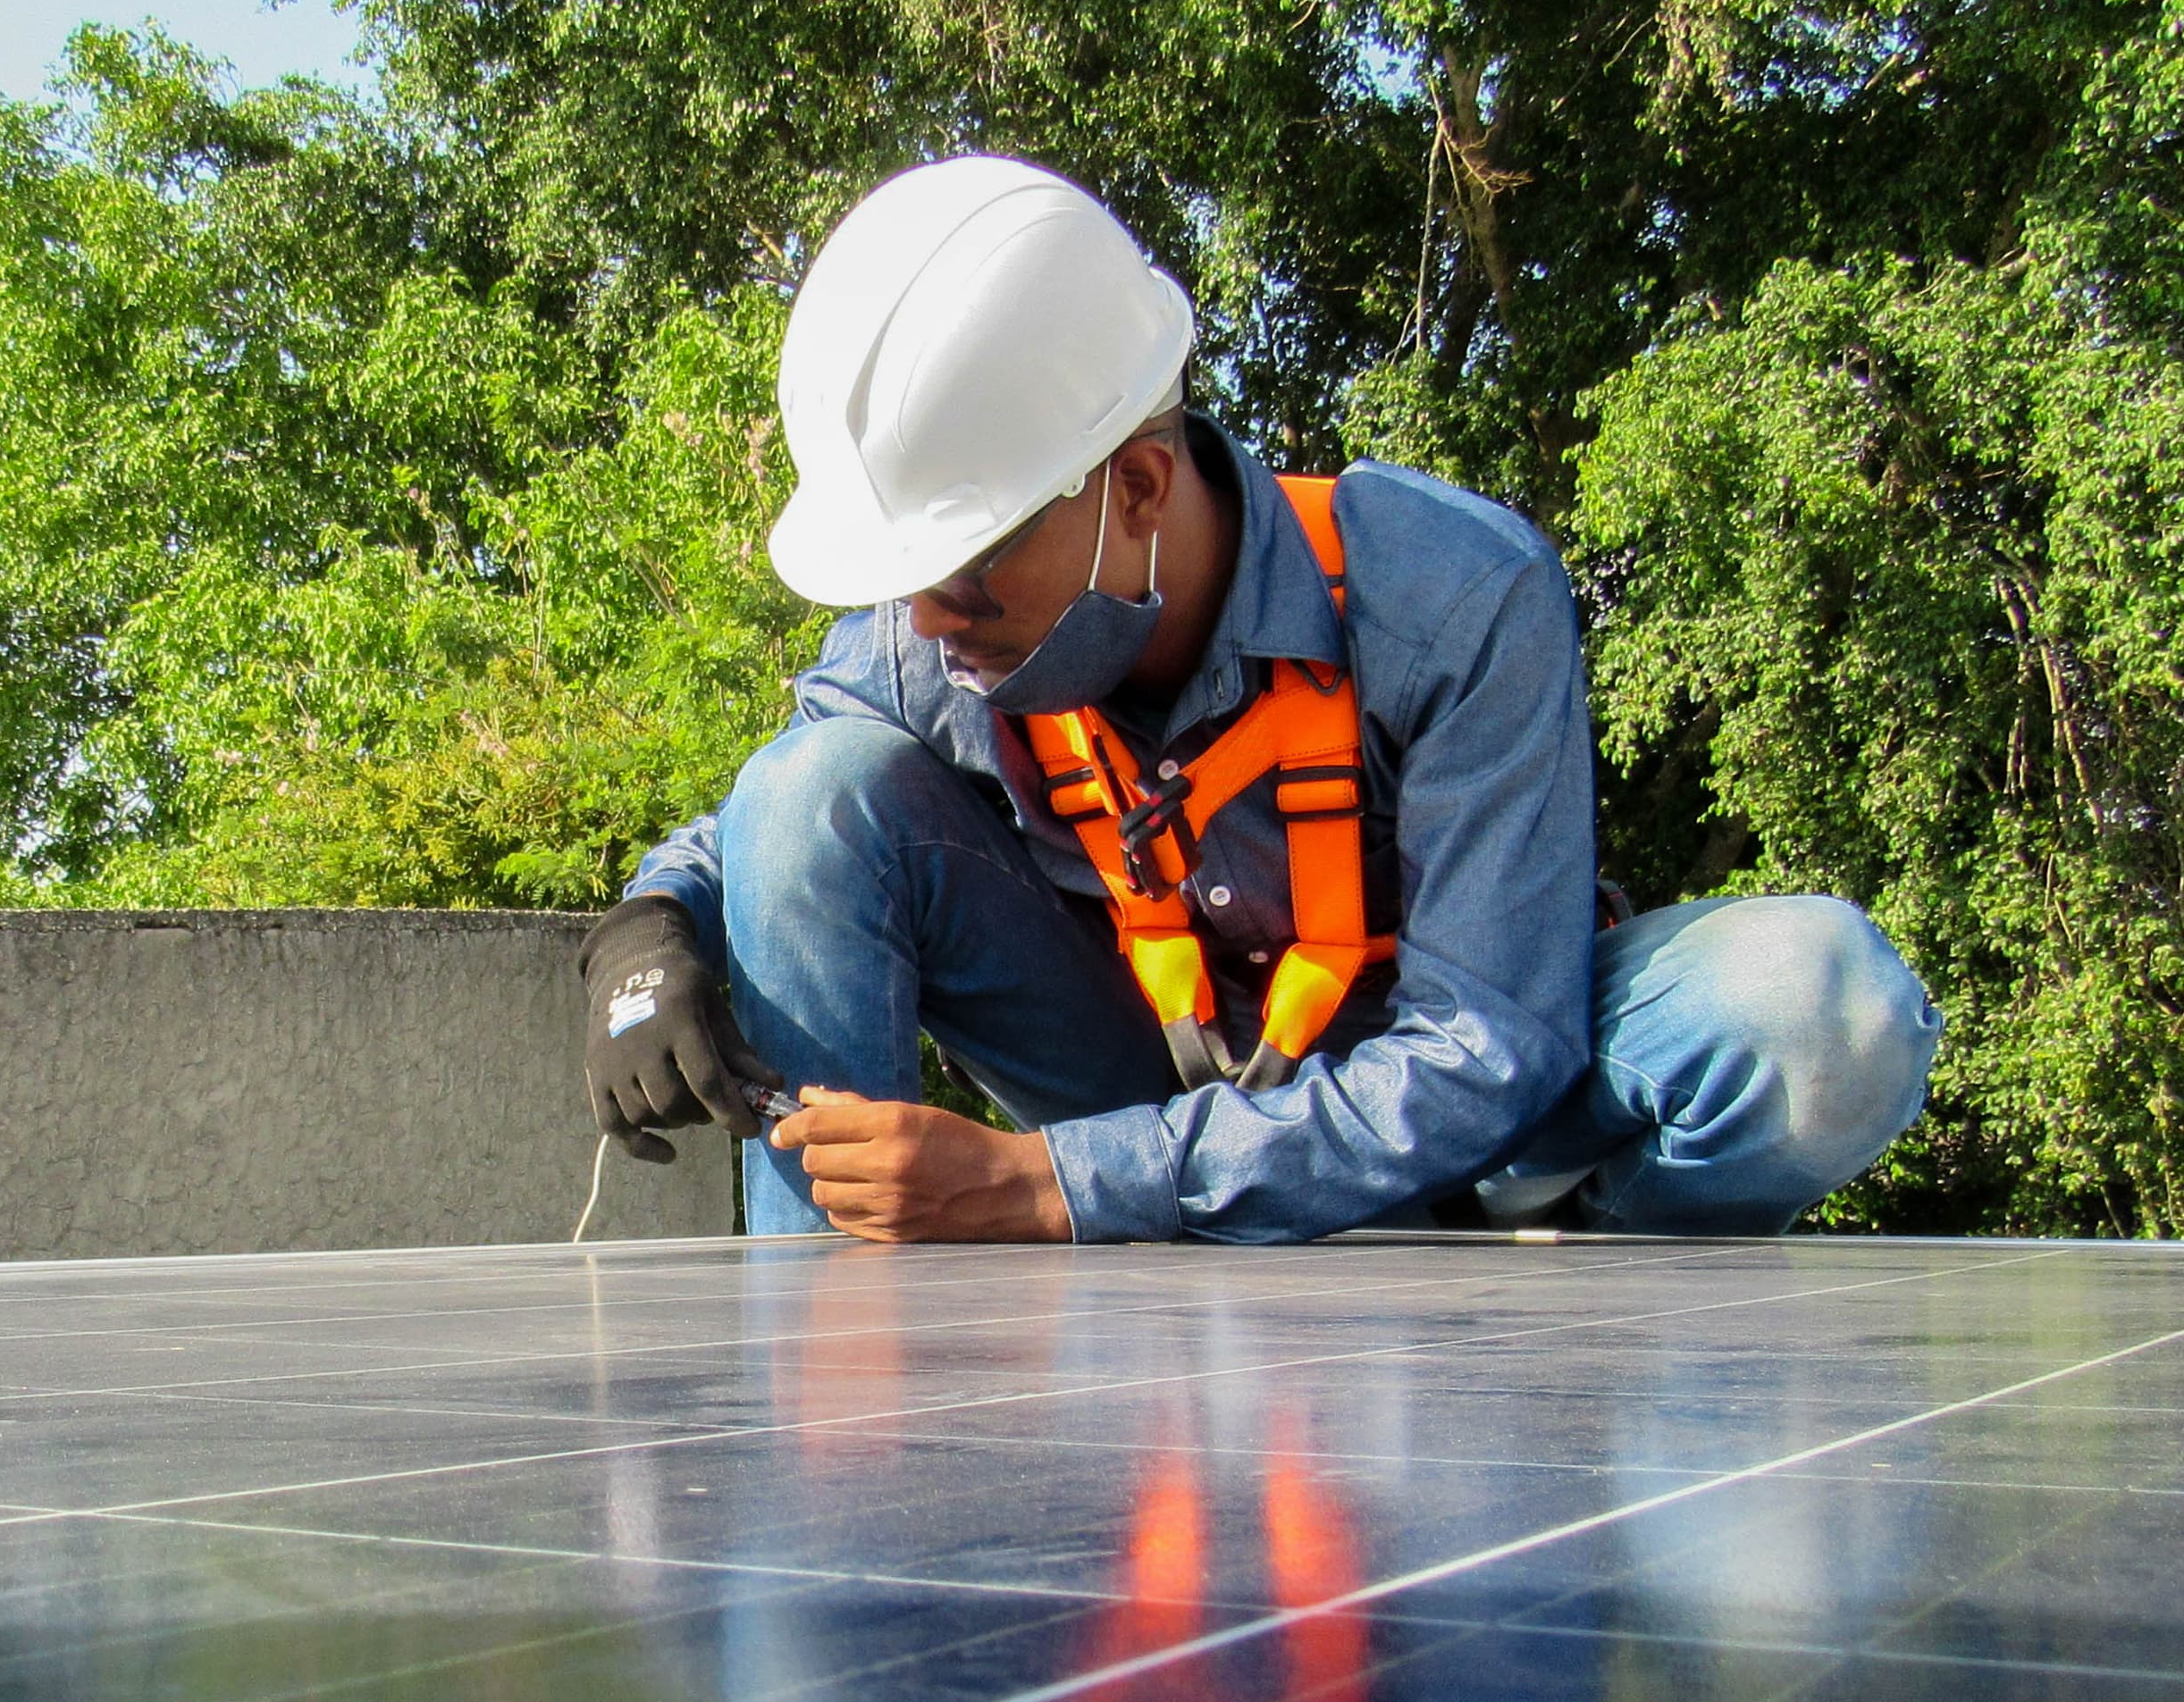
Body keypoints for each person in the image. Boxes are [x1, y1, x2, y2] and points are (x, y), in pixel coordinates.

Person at [579, 155, 1940, 1245]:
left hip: (1494, 1111)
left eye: (970, 565)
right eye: (905, 582)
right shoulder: (931, 641)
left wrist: (1044, 1189)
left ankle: (1553, 1273)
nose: (931, 623)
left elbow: (1491, 1043)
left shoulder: (1450, 595)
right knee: (809, 792)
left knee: (1821, 1010)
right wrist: (647, 934)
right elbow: (767, 822)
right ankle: (828, 1396)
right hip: (1151, 1082)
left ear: (1139, 488)